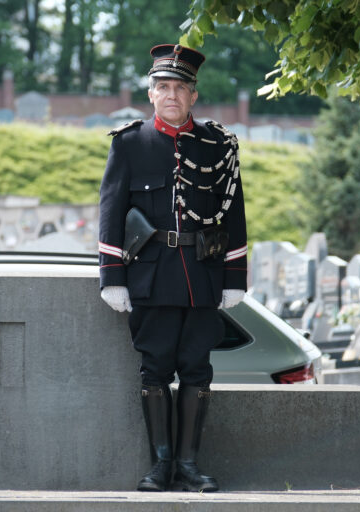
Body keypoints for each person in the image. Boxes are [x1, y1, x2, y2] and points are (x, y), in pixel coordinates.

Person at [98, 43, 247, 492]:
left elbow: (233, 212)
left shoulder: (218, 145)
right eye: (163, 87)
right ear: (151, 93)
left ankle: (188, 466)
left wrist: (235, 276)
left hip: (201, 275)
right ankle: (159, 466)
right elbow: (111, 210)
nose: (171, 95)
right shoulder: (130, 143)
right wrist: (113, 277)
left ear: (193, 95)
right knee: (155, 369)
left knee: (198, 370)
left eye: (180, 88)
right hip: (151, 275)